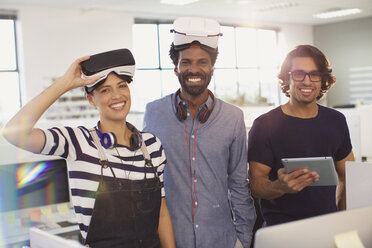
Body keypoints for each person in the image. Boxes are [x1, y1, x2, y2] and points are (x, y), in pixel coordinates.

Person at [2, 49, 175, 248]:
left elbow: (161, 212)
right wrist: (65, 83)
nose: (117, 95)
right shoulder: (78, 142)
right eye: (105, 90)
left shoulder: (152, 146)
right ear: (91, 99)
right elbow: (14, 133)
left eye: (122, 86)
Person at [143, 17, 256, 248]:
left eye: (202, 62)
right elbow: (148, 182)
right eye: (186, 62)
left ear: (212, 67)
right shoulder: (154, 113)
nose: (194, 69)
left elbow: (238, 184)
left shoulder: (233, 117)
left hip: (221, 240)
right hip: (171, 240)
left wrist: (243, 240)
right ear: (176, 67)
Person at [248, 44, 355, 227]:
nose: (307, 81)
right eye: (298, 74)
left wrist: (342, 219)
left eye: (314, 74)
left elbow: (349, 175)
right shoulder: (264, 125)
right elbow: (256, 184)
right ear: (286, 78)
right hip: (281, 230)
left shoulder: (336, 121)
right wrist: (279, 187)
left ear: (323, 80)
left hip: (327, 227)